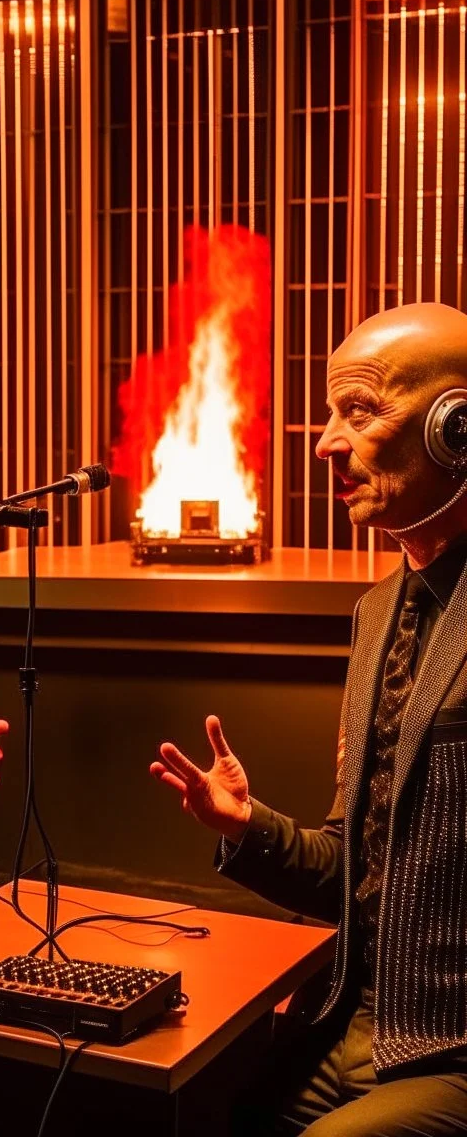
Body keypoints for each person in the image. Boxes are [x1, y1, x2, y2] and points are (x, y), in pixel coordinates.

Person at [150, 302, 467, 1135]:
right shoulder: (377, 615)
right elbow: (351, 876)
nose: (326, 442)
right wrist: (246, 826)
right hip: (339, 1027)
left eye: (359, 413)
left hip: (452, 1056)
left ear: (456, 428)